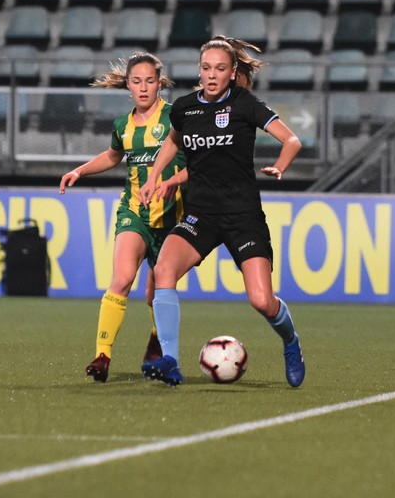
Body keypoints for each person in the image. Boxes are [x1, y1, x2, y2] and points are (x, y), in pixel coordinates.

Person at [138, 36, 306, 388]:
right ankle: (169, 359)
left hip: (243, 216)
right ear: (199, 71)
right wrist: (154, 175)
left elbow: (292, 140)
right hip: (202, 216)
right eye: (206, 68)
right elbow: (173, 140)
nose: (211, 75)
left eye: (219, 69)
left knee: (261, 300)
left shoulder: (245, 105)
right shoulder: (185, 108)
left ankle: (290, 341)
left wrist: (280, 166)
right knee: (163, 270)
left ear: (232, 74)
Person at [59, 52, 187, 383]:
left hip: (173, 217)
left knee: (156, 291)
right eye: (136, 81)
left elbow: (200, 160)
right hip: (135, 212)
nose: (143, 88)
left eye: (149, 81)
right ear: (127, 85)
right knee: (122, 278)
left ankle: (157, 342)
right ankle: (102, 355)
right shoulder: (123, 126)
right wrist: (80, 170)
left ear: (160, 83)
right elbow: (113, 156)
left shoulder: (179, 118)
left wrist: (174, 182)